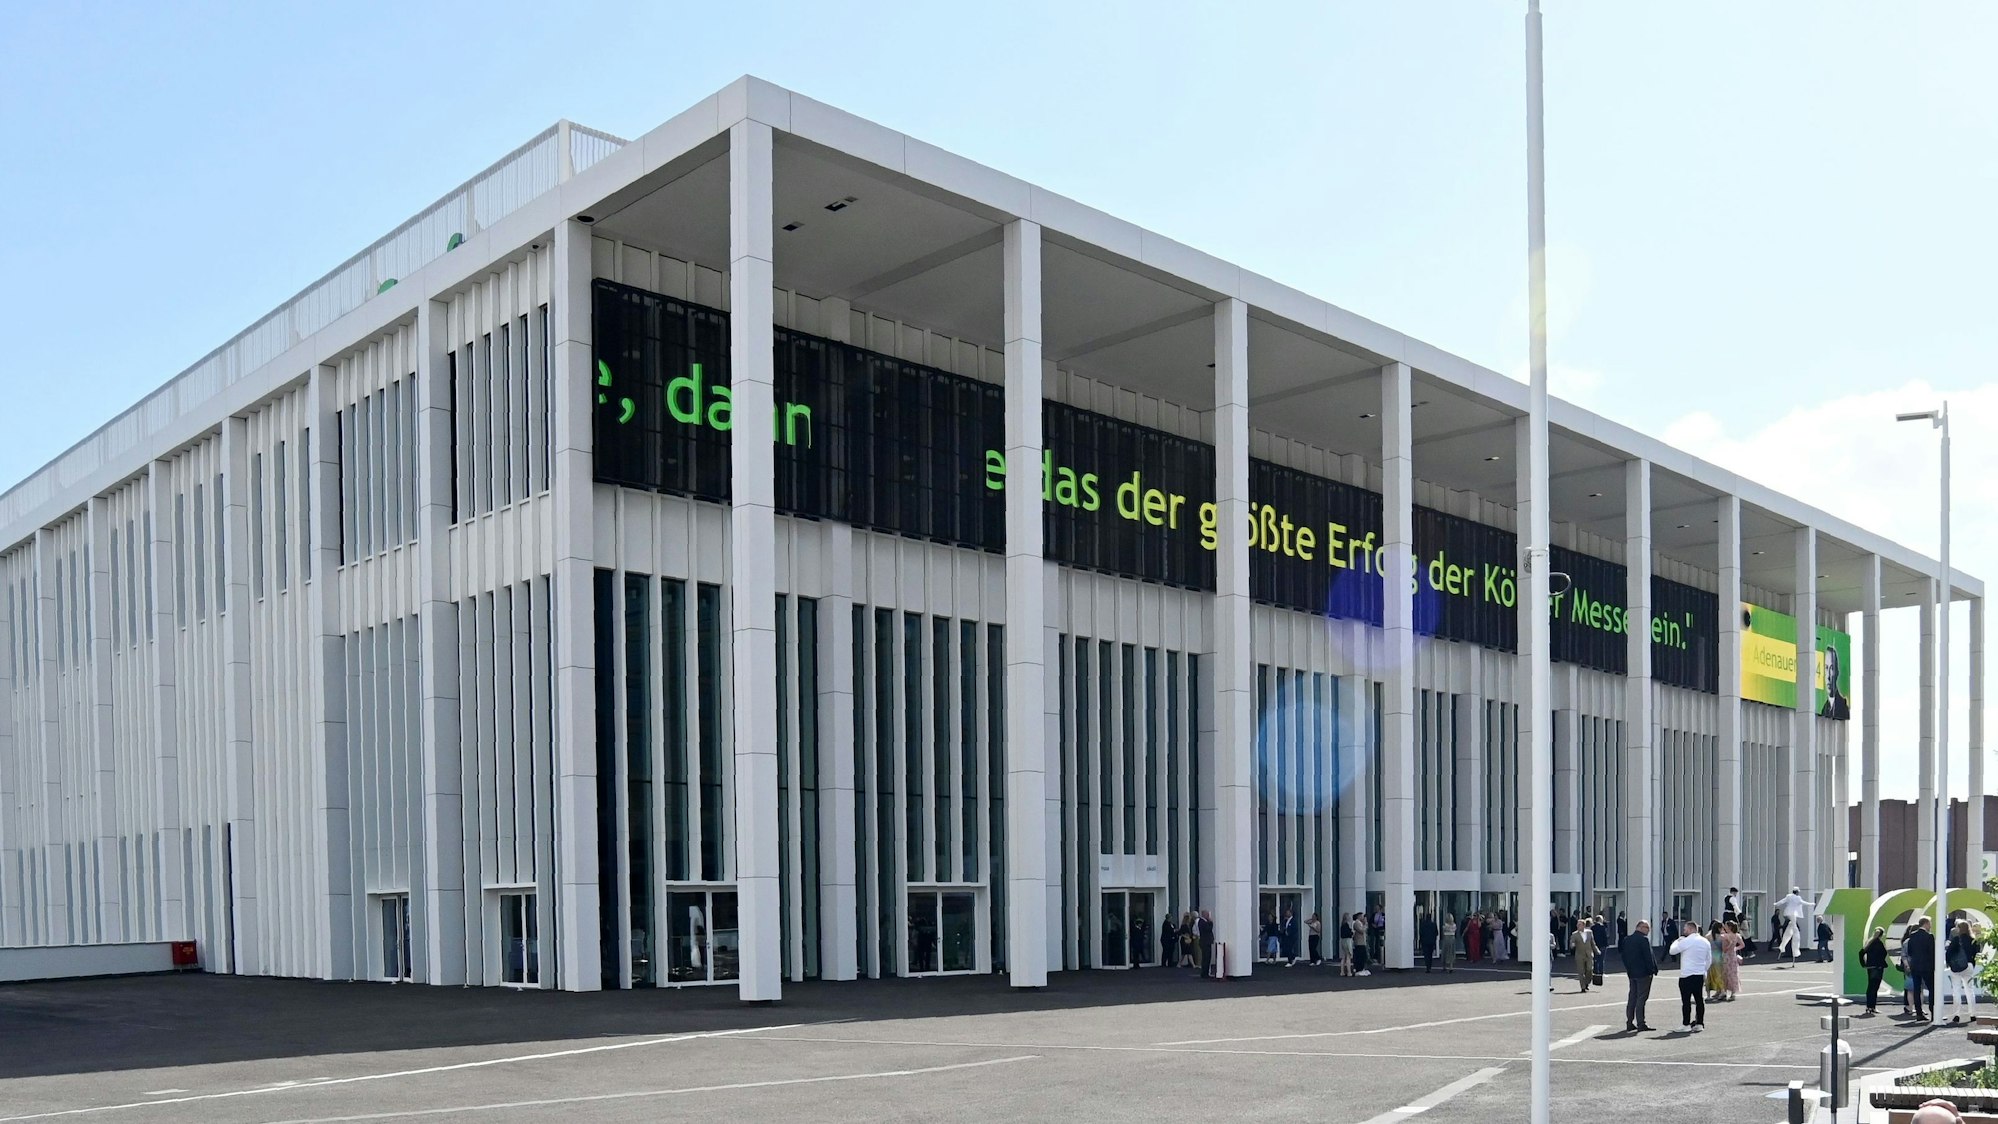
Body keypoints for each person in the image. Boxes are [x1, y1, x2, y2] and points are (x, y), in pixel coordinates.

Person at [1670, 921, 1711, 1032]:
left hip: (1686, 974)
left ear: (1690, 929)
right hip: (1699, 974)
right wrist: (1703, 970)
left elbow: (1672, 951)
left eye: (1685, 929)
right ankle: (1700, 1023)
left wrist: (1677, 941)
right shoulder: (1705, 941)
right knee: (1699, 1000)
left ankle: (1686, 1024)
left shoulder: (1686, 941)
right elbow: (1709, 960)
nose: (1684, 932)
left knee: (1686, 1001)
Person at [1621, 919, 1658, 1032]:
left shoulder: (1627, 940)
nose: (1648, 930)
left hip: (1632, 973)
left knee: (1632, 997)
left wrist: (1629, 969)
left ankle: (1629, 1022)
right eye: (1647, 928)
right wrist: (1652, 969)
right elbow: (1648, 957)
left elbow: (1624, 956)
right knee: (1641, 998)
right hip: (1644, 973)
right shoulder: (1643, 940)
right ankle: (1641, 1023)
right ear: (1640, 927)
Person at [1944, 919, 1978, 1025]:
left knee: (1956, 990)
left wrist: (1949, 963)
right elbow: (1976, 953)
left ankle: (1956, 1015)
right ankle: (1972, 1014)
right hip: (1969, 965)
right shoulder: (1973, 940)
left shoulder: (1956, 940)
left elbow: (1948, 953)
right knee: (1970, 990)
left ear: (1959, 929)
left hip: (1957, 967)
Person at [1904, 916, 1936, 1021]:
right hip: (1927, 967)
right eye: (1930, 923)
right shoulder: (1929, 936)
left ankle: (1919, 1013)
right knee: (1932, 989)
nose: (1930, 925)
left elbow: (1910, 951)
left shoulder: (1912, 936)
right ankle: (1933, 1012)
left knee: (1917, 989)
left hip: (1915, 966)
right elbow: (1932, 953)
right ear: (1926, 923)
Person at [1861, 926, 1891, 1014]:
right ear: (1882, 935)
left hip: (1870, 967)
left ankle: (1869, 1006)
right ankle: (1872, 1006)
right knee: (1875, 987)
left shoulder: (1869, 942)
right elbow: (1882, 954)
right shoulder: (1879, 943)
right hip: (1878, 967)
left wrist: (1864, 964)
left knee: (1870, 986)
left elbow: (1861, 953)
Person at [1718, 920, 1744, 1001]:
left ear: (1729, 927)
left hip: (1725, 956)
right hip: (1733, 956)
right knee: (1733, 973)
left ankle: (1724, 992)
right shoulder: (1737, 936)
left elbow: (1723, 947)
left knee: (1724, 973)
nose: (1724, 927)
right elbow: (1742, 945)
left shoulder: (1724, 936)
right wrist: (1735, 948)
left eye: (1726, 926)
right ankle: (1733, 993)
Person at [1574, 916, 1597, 993]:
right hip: (1579, 955)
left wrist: (1596, 950)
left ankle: (1587, 982)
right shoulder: (1574, 934)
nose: (1578, 926)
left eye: (1580, 924)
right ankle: (1583, 987)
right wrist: (1572, 945)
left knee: (1589, 969)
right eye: (1577, 925)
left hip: (1589, 954)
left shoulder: (1589, 933)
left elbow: (1592, 943)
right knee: (1581, 972)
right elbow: (1572, 942)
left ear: (1584, 925)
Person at [1196, 910, 1217, 979]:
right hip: (1205, 942)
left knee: (1207, 958)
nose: (1208, 916)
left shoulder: (1203, 922)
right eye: (1207, 914)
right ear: (1204, 914)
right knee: (1206, 958)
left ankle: (1205, 972)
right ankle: (1204, 973)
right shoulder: (1202, 922)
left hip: (1206, 942)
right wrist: (1211, 922)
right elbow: (1208, 929)